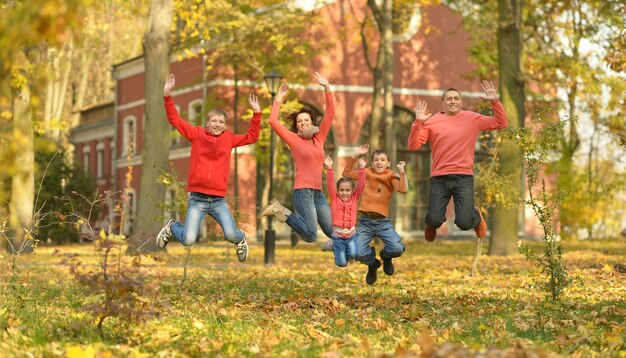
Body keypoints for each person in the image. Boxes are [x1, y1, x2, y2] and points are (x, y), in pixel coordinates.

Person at [156, 73, 262, 262]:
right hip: (197, 198)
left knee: (231, 235)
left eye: (221, 122)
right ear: (207, 123)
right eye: (214, 120)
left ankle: (241, 239)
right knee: (188, 239)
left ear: (224, 125)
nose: (217, 124)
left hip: (218, 200)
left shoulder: (229, 139)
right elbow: (175, 120)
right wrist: (167, 95)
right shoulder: (196, 134)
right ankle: (172, 227)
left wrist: (256, 113)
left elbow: (252, 137)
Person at [407, 81, 508, 242]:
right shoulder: (432, 121)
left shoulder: (472, 118)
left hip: (463, 178)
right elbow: (413, 146)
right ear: (443, 103)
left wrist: (495, 101)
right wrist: (418, 123)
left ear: (460, 102)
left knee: (464, 222)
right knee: (434, 220)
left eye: (456, 98)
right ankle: (431, 224)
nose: (453, 101)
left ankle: (475, 216)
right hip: (439, 178)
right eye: (449, 99)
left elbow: (501, 123)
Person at [258, 72, 334, 243]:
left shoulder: (319, 137)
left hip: (318, 192)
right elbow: (273, 122)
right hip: (302, 191)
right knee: (310, 235)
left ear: (312, 121)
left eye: (306, 120)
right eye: (299, 121)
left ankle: (350, 254)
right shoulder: (294, 139)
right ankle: (279, 210)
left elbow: (330, 113)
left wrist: (327, 88)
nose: (303, 123)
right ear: (296, 125)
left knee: (332, 231)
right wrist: (278, 99)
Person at [342, 145, 408, 285]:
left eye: (383, 160)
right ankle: (372, 264)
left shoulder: (391, 175)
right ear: (372, 162)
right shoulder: (365, 172)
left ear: (388, 163)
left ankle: (386, 256)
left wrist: (402, 172)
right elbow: (346, 174)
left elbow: (403, 189)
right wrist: (355, 155)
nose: (379, 162)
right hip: (365, 222)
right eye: (376, 159)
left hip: (382, 223)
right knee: (356, 252)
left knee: (397, 249)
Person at [323, 153, 366, 267]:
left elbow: (361, 185)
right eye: (341, 190)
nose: (344, 193)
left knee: (353, 255)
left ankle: (350, 253)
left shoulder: (354, 198)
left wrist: (362, 168)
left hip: (351, 234)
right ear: (337, 190)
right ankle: (332, 245)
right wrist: (329, 168)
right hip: (338, 236)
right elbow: (329, 184)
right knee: (342, 263)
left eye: (347, 190)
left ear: (352, 191)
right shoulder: (334, 198)